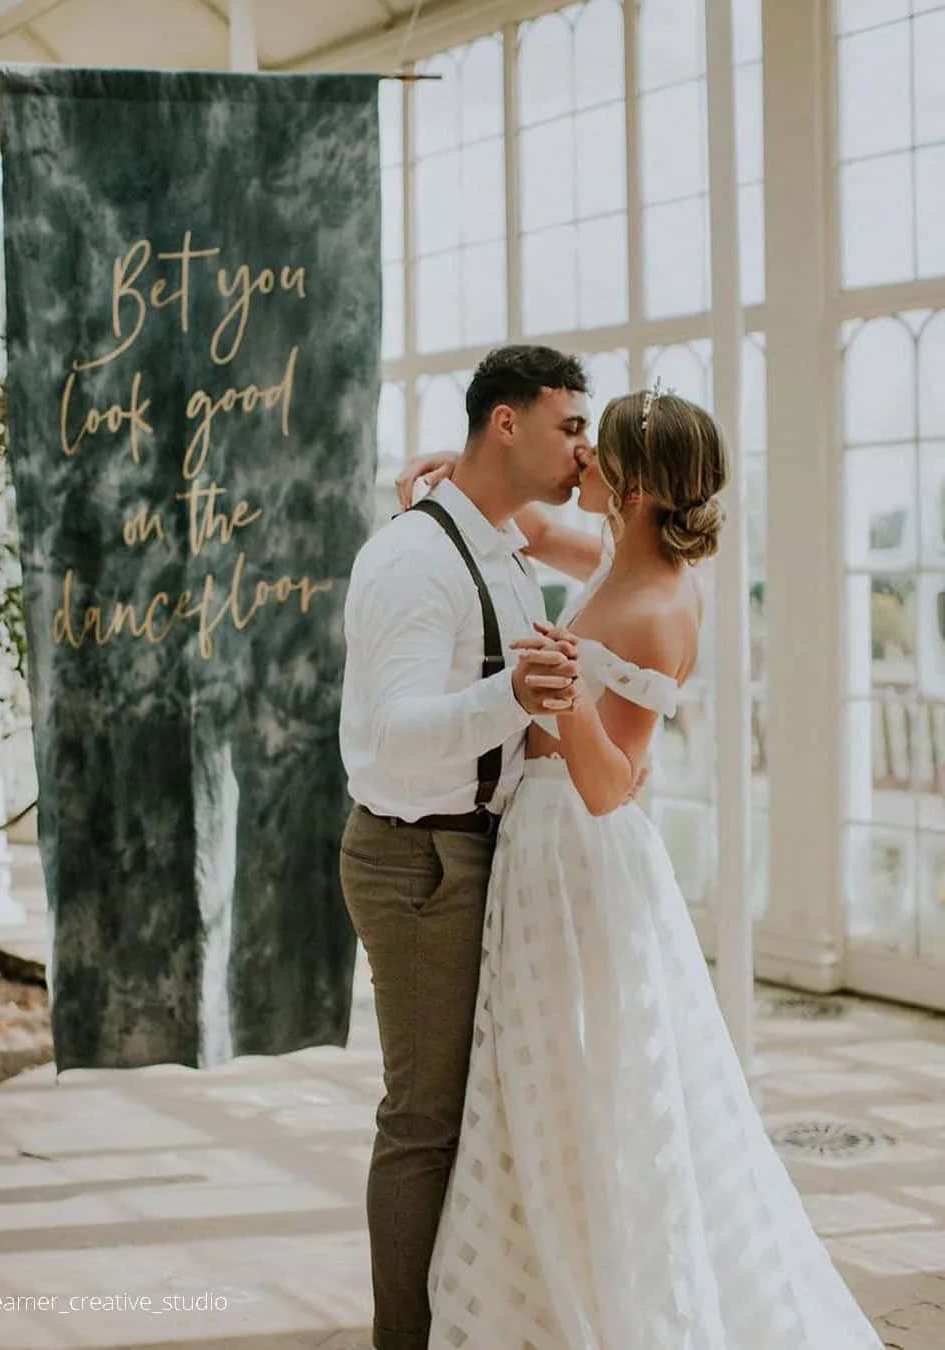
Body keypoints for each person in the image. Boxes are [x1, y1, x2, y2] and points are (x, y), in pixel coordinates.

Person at [397, 386, 884, 1349]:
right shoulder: (622, 557)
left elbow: (613, 785)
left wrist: (566, 692)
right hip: (543, 850)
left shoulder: (661, 603)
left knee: (590, 1082)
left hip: (580, 857)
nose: (580, 462)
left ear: (633, 486)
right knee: (551, 1079)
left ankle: (607, 1294)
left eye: (595, 452)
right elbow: (537, 528)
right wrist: (457, 480)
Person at [339, 344, 623, 1350]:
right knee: (425, 1122)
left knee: (480, 1112)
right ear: (507, 424)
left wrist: (602, 478)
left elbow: (630, 549)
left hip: (480, 849)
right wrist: (519, 693)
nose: (585, 449)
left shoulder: (503, 542)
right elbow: (396, 733)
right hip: (420, 859)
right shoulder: (416, 559)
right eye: (572, 427)